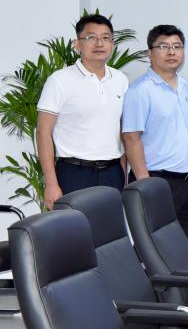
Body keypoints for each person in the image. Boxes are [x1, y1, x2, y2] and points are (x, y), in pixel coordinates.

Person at [37, 13, 129, 210]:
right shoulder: (59, 80)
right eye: (91, 37)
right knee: (72, 229)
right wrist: (51, 184)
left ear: (113, 44)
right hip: (74, 174)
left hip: (112, 173)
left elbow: (121, 129)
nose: (99, 43)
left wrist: (123, 171)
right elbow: (43, 132)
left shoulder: (121, 80)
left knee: (110, 229)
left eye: (106, 38)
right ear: (77, 44)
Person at [122, 24, 188, 236]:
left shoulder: (186, 86)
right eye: (164, 46)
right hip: (156, 181)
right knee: (155, 247)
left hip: (187, 182)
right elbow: (131, 138)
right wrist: (145, 184)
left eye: (177, 46)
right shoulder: (140, 90)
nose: (171, 52)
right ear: (150, 53)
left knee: (181, 246)